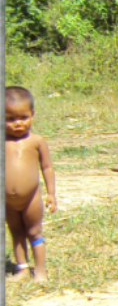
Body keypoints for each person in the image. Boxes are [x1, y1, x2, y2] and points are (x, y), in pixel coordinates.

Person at [5, 86, 57, 283]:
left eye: (23, 117)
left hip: (31, 199)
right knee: (16, 233)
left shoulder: (36, 141)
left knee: (34, 232)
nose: (18, 124)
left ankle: (40, 270)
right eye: (10, 119)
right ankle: (22, 269)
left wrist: (51, 194)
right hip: (8, 202)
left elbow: (47, 168)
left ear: (32, 115)